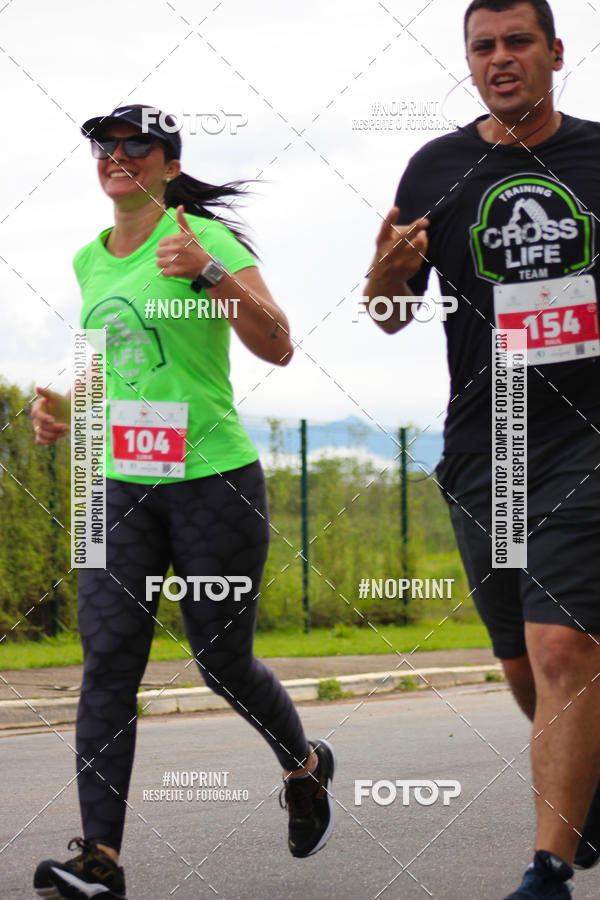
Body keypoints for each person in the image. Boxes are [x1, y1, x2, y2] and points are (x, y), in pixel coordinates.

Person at [31, 104, 334, 900]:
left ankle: (303, 767)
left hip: (212, 484)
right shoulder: (89, 261)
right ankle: (101, 860)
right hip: (118, 485)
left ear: (168, 163)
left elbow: (277, 342)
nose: (119, 155)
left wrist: (207, 270)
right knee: (107, 665)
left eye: (140, 146)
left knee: (220, 663)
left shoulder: (206, 241)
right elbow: (116, 364)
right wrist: (67, 409)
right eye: (107, 144)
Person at [364, 2, 600, 897]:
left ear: (555, 53)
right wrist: (385, 273)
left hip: (589, 438)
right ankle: (585, 803)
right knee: (519, 663)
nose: (501, 59)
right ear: (470, 59)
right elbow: (389, 314)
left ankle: (547, 870)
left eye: (518, 42)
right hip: (486, 442)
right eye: (484, 46)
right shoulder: (437, 167)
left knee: (564, 648)